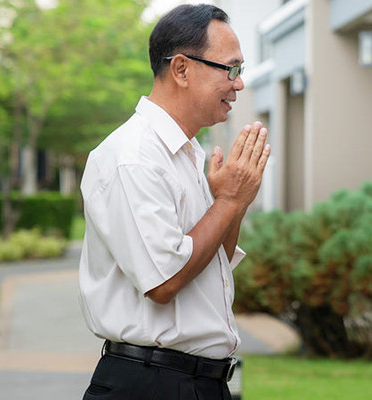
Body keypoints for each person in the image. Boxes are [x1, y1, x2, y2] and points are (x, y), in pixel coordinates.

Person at [78, 4, 269, 399]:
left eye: (241, 71)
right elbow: (164, 281)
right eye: (230, 69)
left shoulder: (185, 153)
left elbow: (215, 259)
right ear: (181, 69)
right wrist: (228, 201)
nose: (239, 84)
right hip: (152, 383)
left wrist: (234, 201)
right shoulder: (135, 156)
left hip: (195, 383)